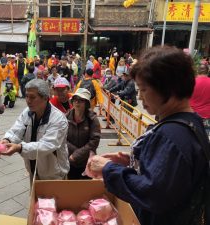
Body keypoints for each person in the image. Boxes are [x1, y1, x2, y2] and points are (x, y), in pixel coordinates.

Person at [87, 46, 210, 225]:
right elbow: (170, 178)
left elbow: (152, 193)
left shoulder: (172, 136)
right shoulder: (189, 123)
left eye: (143, 89)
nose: (139, 96)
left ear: (169, 89)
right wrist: (135, 161)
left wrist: (108, 169)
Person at [0, 79, 70, 182]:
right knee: (34, 197)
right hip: (33, 169)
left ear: (45, 98)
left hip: (53, 174)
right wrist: (7, 140)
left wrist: (19, 148)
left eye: (32, 97)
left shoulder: (58, 119)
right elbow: (17, 129)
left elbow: (46, 145)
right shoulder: (28, 112)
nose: (28, 100)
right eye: (27, 96)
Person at [66, 88, 101, 179]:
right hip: (69, 160)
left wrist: (77, 155)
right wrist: (74, 153)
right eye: (75, 100)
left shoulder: (92, 119)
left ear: (86, 103)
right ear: (72, 102)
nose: (77, 102)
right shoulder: (65, 118)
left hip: (87, 162)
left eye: (81, 100)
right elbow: (62, 138)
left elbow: (94, 141)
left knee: (85, 189)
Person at [190, 64, 210, 139]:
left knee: (190, 138)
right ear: (208, 71)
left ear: (198, 71)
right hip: (206, 116)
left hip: (192, 115)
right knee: (203, 140)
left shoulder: (192, 82)